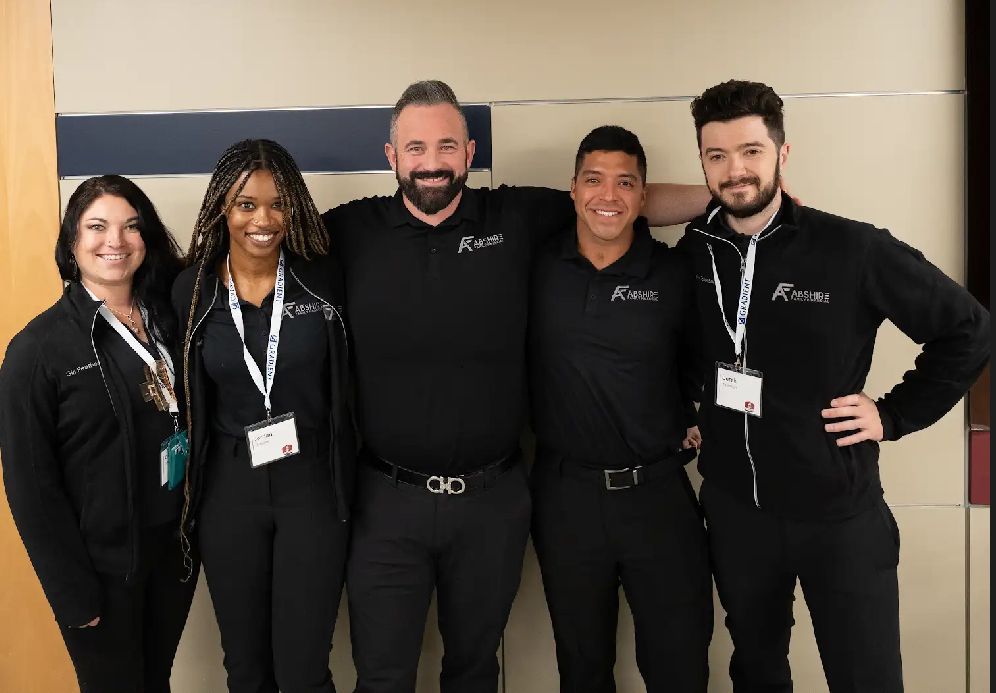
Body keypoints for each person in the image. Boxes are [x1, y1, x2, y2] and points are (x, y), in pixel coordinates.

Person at [322, 80, 710, 693]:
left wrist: (734, 196)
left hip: (491, 502)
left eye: (446, 145)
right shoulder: (348, 231)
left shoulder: (516, 218)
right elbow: (259, 242)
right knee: (383, 677)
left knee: (475, 673)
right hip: (385, 501)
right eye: (415, 147)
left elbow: (614, 203)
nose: (431, 162)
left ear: (469, 152)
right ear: (392, 155)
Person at [677, 79, 991, 692]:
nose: (735, 170)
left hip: (838, 516)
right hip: (738, 514)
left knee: (865, 677)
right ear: (703, 164)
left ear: (782, 154)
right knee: (757, 672)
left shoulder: (851, 248)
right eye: (717, 156)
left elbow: (969, 329)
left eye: (750, 151)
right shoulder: (697, 250)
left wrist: (894, 414)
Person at [527, 125, 713, 692]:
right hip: (566, 500)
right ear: (573, 189)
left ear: (644, 197)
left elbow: (713, 359)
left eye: (625, 183)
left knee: (678, 667)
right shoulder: (534, 265)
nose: (607, 196)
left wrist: (700, 414)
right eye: (594, 180)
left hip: (658, 497)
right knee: (582, 671)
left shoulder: (677, 273)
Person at [0, 175, 196, 692]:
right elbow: (30, 487)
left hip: (171, 556)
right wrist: (72, 595)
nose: (116, 240)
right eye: (97, 226)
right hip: (100, 573)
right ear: (71, 241)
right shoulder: (38, 350)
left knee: (156, 682)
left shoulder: (169, 320)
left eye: (131, 226)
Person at [173, 139, 354, 693]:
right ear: (221, 210)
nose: (264, 219)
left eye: (278, 204)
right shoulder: (192, 289)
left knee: (304, 670)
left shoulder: (322, 281)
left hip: (311, 487)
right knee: (246, 669)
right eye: (246, 204)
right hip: (230, 489)